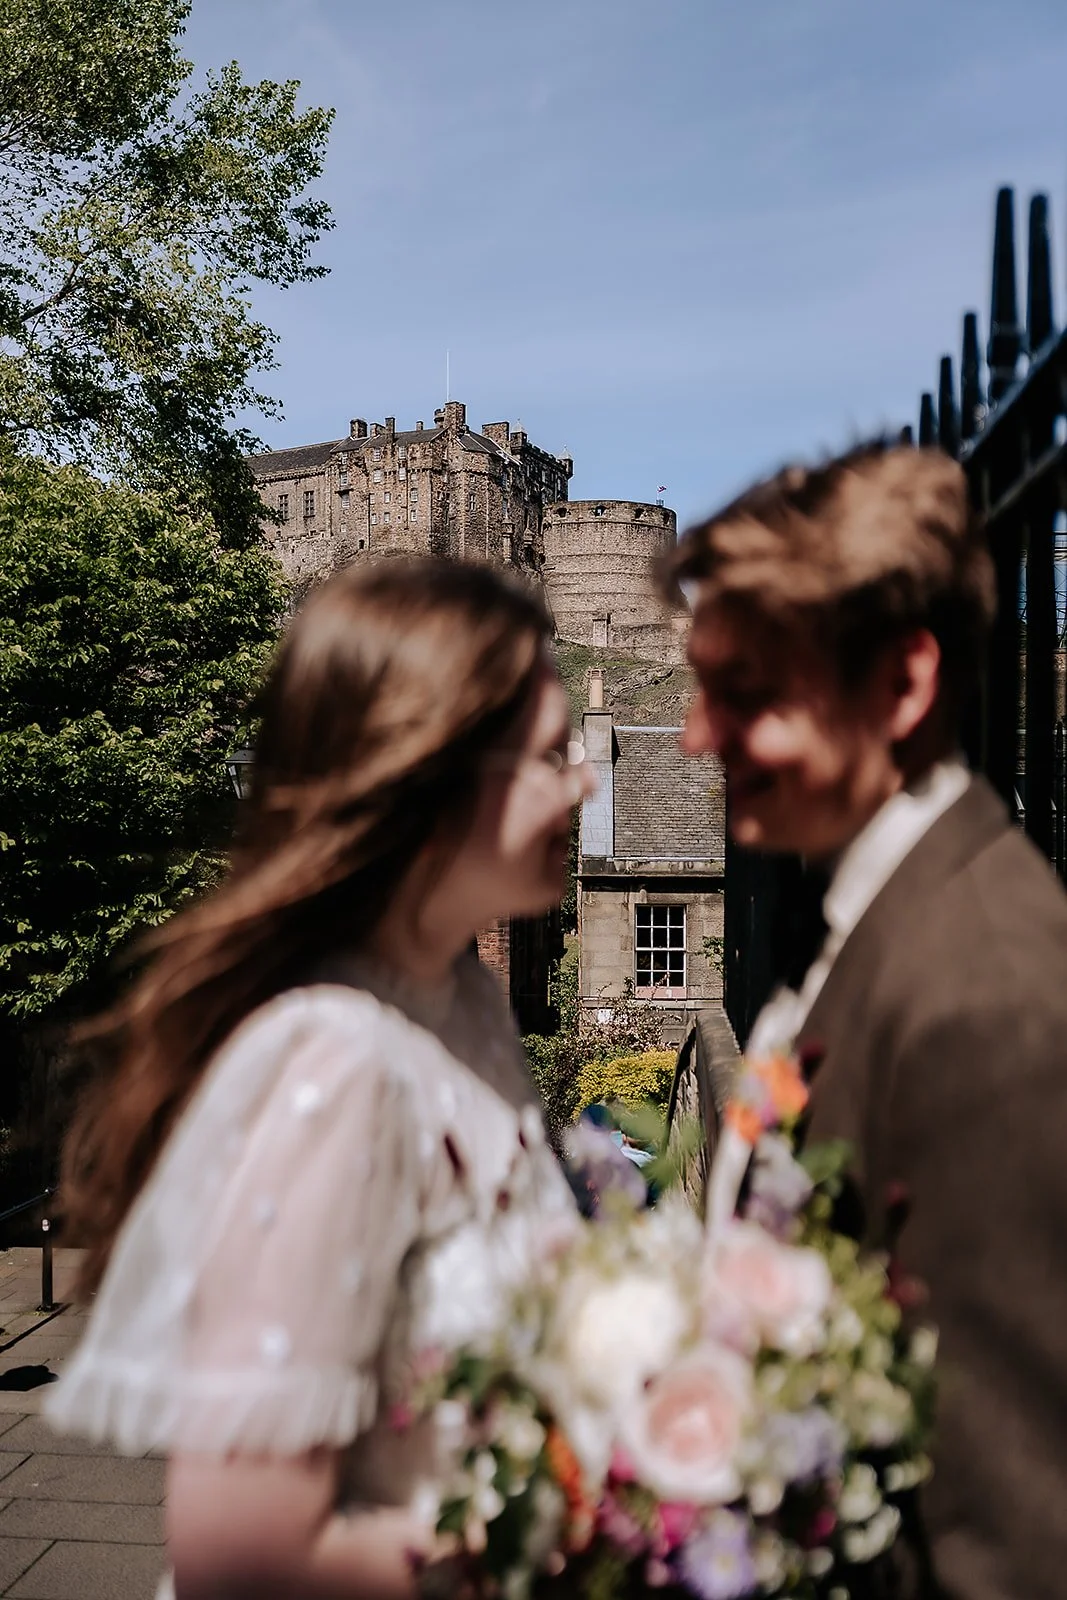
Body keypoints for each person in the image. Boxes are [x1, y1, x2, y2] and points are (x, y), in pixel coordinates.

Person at [45, 556, 594, 1600]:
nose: (583, 783)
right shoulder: (335, 1063)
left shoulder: (466, 1004)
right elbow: (243, 1556)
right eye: (549, 755)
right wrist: (572, 1531)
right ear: (430, 778)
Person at [664, 441, 1067, 1600]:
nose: (695, 735)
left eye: (744, 693)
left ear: (900, 684)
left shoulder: (983, 996)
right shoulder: (877, 910)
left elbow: (1012, 1535)